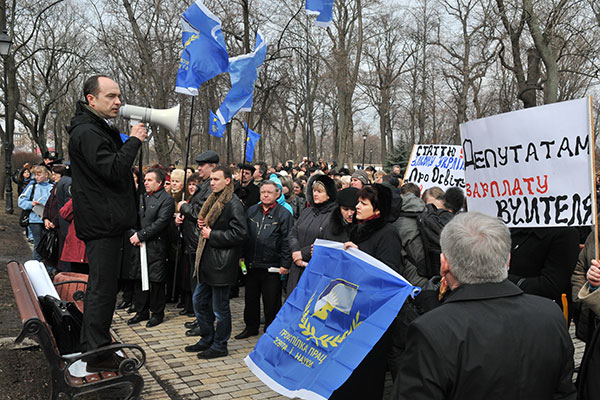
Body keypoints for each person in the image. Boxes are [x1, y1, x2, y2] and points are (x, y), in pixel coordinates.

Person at [392, 212, 576, 400]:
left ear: (444, 264)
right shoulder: (550, 315)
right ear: (507, 261)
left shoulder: (431, 330)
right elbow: (564, 392)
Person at [67, 74, 147, 372]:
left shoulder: (93, 128)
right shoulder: (88, 131)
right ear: (91, 99)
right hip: (103, 223)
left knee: (103, 287)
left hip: (105, 220)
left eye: (118, 96)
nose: (118, 101)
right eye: (111, 96)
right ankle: (97, 355)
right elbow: (113, 169)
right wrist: (135, 140)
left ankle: (96, 347)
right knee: (102, 289)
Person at [331, 184, 403, 400]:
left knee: (365, 377)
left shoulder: (388, 233)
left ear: (378, 209)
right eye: (358, 202)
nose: (357, 207)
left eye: (363, 203)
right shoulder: (357, 229)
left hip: (371, 318)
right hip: (349, 310)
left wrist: (358, 255)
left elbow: (388, 275)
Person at [184, 166, 247, 359]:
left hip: (222, 264)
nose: (211, 182)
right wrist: (203, 225)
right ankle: (207, 338)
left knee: (220, 308)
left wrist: (213, 234)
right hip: (208, 261)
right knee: (199, 301)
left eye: (216, 179)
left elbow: (241, 233)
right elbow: (211, 222)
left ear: (228, 181)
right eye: (211, 179)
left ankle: (220, 345)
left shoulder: (233, 203)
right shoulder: (214, 199)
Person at [235, 180, 293, 339]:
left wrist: (285, 263)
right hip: (251, 263)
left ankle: (271, 330)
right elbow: (244, 235)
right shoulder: (252, 211)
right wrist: (241, 256)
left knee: (271, 302)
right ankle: (251, 327)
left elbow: (288, 240)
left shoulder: (284, 214)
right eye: (263, 192)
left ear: (277, 194)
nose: (265, 195)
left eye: (269, 192)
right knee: (250, 299)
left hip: (272, 266)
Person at [127, 168, 175, 328]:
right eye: (145, 180)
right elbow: (132, 218)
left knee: (156, 280)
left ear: (159, 182)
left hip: (156, 246)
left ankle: (157, 313)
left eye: (149, 180)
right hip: (139, 245)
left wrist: (142, 235)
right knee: (139, 278)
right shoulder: (141, 197)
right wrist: (134, 234)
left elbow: (161, 222)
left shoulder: (166, 200)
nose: (145, 183)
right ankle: (141, 311)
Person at [178, 151, 219, 325]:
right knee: (196, 285)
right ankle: (199, 319)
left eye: (203, 165)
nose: (199, 168)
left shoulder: (211, 188)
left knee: (201, 286)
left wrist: (184, 207)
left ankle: (203, 321)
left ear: (213, 167)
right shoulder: (204, 185)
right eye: (199, 164)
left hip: (200, 242)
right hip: (192, 241)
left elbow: (201, 214)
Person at [287, 174, 337, 295]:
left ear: (329, 194)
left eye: (320, 191)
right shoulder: (307, 211)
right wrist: (295, 250)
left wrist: (302, 253)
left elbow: (326, 242)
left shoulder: (333, 216)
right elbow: (293, 232)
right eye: (314, 191)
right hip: (296, 266)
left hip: (315, 268)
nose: (315, 194)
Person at [18, 165, 54, 262]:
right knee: (38, 243)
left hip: (49, 220)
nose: (36, 177)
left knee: (49, 243)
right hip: (35, 219)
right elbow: (21, 201)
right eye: (35, 175)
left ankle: (48, 266)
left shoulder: (53, 186)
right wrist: (31, 204)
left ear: (46, 175)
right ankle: (36, 264)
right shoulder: (32, 186)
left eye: (39, 174)